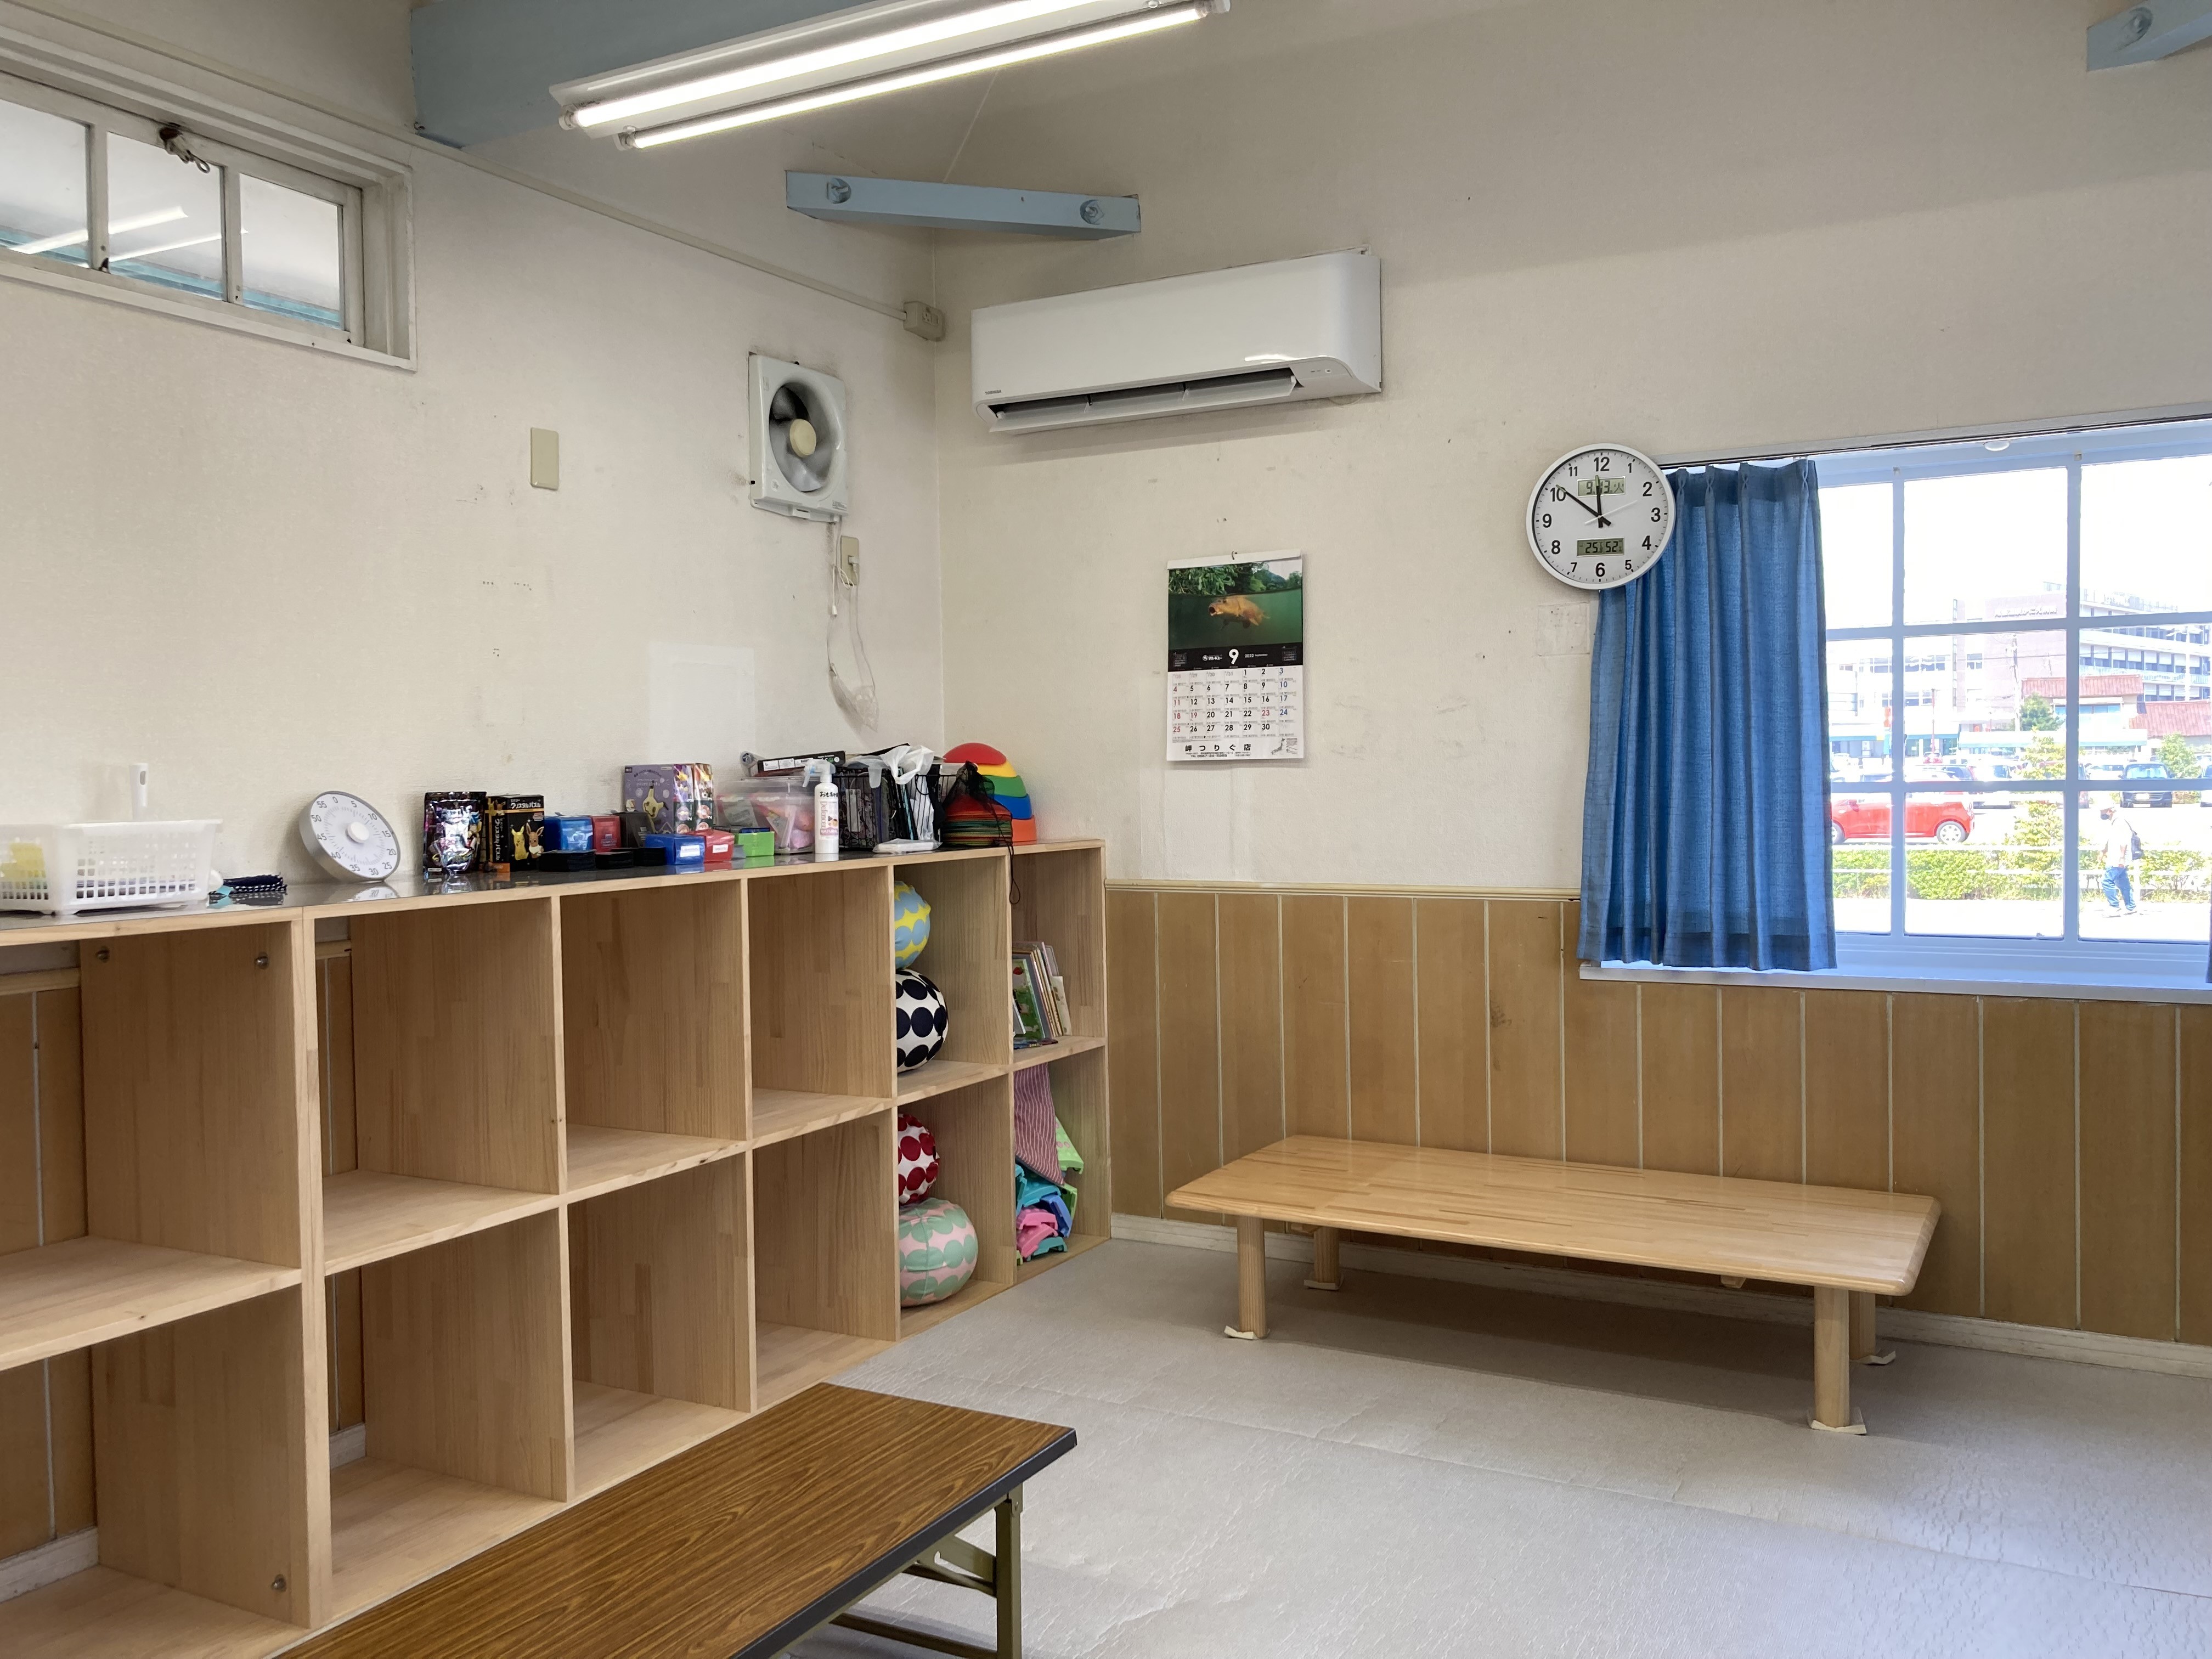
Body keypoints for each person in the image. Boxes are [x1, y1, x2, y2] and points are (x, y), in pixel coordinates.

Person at [2098, 800, 2140, 917]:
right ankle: (2131, 907)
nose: (2101, 815)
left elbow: (2123, 842)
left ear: (2109, 811)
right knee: (2123, 882)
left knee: (2107, 882)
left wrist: (2121, 858)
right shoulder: (2116, 822)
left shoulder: (2119, 823)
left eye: (2102, 812)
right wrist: (2104, 851)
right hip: (2120, 859)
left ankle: (2115, 907)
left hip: (2117, 859)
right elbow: (2112, 840)